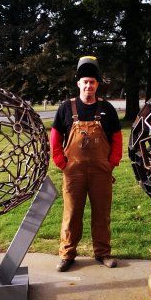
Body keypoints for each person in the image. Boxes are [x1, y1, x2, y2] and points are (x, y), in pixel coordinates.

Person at [50, 56, 123, 272]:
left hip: (101, 171)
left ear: (97, 84)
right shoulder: (66, 108)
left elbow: (117, 138)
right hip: (74, 172)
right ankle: (67, 254)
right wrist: (61, 162)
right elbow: (55, 137)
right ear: (78, 84)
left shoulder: (107, 109)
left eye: (92, 82)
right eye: (85, 82)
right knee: (72, 213)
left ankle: (103, 253)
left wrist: (112, 163)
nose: (88, 85)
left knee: (102, 213)